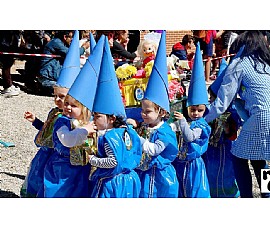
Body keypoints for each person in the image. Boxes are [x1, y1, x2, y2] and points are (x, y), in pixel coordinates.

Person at [204, 30, 270, 198]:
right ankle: (268, 195)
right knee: (257, 153)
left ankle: (247, 197)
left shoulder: (240, 63)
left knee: (238, 156)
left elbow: (222, 102)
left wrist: (203, 120)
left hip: (266, 113)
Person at [39, 34, 106, 198]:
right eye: (66, 103)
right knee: (60, 193)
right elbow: (67, 139)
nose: (67, 107)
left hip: (81, 168)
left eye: (73, 105)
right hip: (62, 168)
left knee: (79, 193)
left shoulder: (87, 119)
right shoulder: (62, 121)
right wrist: (84, 130)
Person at [20, 30, 82, 198]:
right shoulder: (55, 112)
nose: (57, 100)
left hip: (60, 158)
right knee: (37, 178)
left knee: (56, 185)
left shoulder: (75, 120)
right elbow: (47, 130)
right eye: (55, 96)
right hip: (45, 153)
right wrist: (35, 121)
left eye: (62, 97)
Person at [88, 37, 142, 198]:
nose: (94, 119)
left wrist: (92, 160)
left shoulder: (110, 137)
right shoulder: (125, 130)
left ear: (111, 118)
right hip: (129, 178)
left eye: (97, 116)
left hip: (112, 181)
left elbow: (113, 161)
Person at [133, 31, 179, 198]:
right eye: (142, 110)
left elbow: (153, 149)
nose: (143, 114)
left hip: (161, 176)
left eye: (147, 111)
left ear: (162, 112)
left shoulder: (164, 132)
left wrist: (134, 135)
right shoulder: (147, 126)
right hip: (146, 173)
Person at [172, 42, 211, 198]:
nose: (196, 113)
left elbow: (189, 136)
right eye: (193, 110)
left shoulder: (201, 125)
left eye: (200, 110)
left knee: (194, 192)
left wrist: (181, 121)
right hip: (181, 163)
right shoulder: (189, 120)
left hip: (193, 165)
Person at [203, 58, 241, 198]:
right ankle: (211, 192)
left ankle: (226, 193)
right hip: (210, 149)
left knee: (226, 172)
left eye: (213, 98)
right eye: (210, 98)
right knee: (210, 171)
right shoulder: (208, 111)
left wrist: (227, 128)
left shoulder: (233, 112)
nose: (211, 101)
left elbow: (233, 134)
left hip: (225, 150)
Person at [38, 30, 90, 95]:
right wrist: (84, 47)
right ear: (65, 37)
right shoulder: (56, 43)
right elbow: (73, 54)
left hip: (54, 78)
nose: (72, 40)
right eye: (71, 37)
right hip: (47, 79)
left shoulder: (63, 44)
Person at [0, 30, 22, 97]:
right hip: (5, 42)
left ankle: (9, 85)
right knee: (7, 64)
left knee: (8, 64)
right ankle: (7, 86)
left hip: (7, 42)